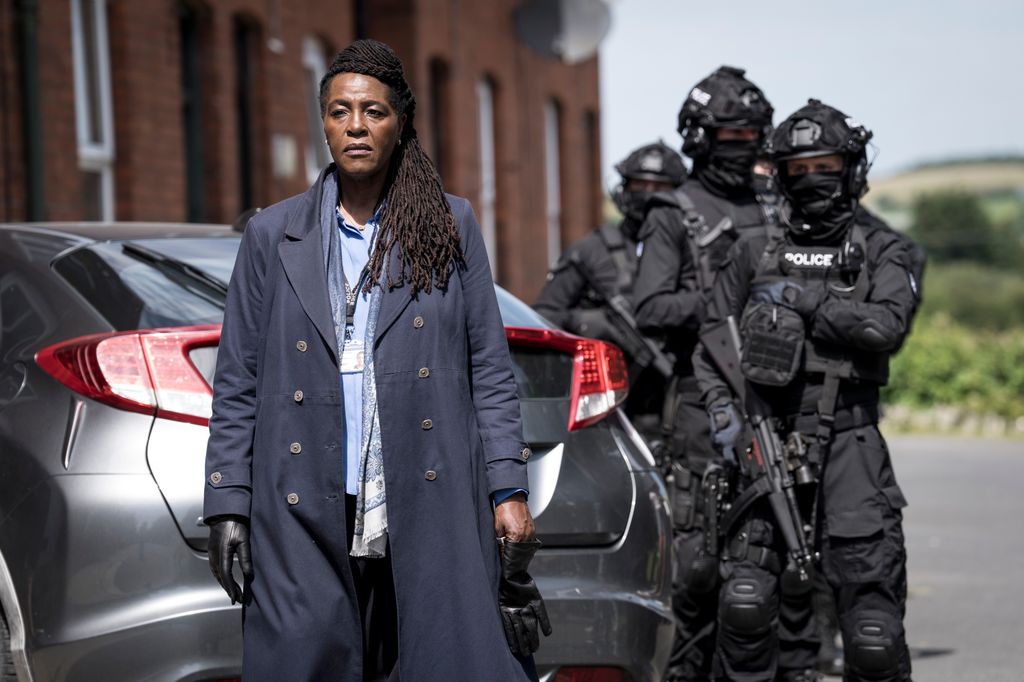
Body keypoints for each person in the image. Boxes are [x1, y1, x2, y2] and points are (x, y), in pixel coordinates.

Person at [203, 39, 549, 681]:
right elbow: (238, 381)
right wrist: (227, 501)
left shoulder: (449, 224)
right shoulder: (271, 235)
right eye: (340, 111)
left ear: (400, 122)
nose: (355, 126)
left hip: (427, 492)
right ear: (324, 123)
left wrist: (508, 489)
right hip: (304, 502)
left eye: (373, 111)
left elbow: (490, 369)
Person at [692, 99, 920, 682]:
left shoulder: (882, 248)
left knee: (872, 635)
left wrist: (808, 301)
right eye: (798, 168)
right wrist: (722, 411)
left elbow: (887, 328)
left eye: (825, 165)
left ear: (851, 168)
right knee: (744, 605)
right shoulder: (752, 250)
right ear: (780, 173)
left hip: (850, 446)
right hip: (765, 440)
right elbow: (711, 342)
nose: (812, 178)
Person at [630, 66, 788, 682]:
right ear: (700, 137)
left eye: (751, 135)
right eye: (730, 136)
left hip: (785, 403)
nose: (743, 147)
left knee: (784, 574)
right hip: (704, 404)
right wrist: (730, 300)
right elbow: (650, 307)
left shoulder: (778, 204)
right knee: (699, 573)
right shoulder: (675, 212)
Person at [533, 141, 685, 447]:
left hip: (678, 401)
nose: (649, 194)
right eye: (640, 185)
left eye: (660, 187)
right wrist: (590, 325)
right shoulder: (591, 250)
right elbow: (542, 319)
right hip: (608, 410)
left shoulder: (691, 251)